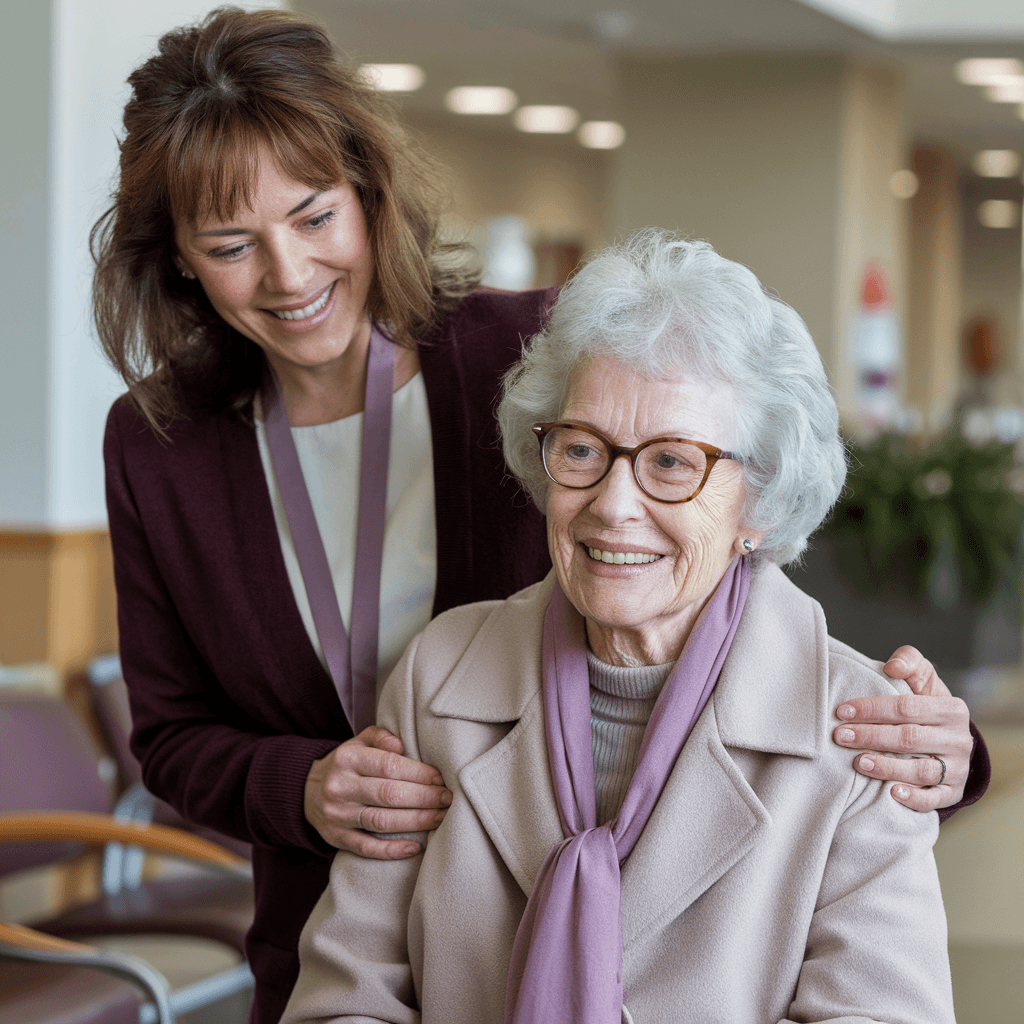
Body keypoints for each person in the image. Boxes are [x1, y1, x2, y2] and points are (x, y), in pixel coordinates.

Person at [95, 8, 984, 1022]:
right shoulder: (159, 441)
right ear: (176, 259)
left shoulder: (539, 354)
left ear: (367, 197)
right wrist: (300, 786)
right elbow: (167, 734)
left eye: (312, 217)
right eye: (229, 243)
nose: (289, 274)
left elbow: (724, 533)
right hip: (338, 926)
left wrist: (925, 743)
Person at [283, 233, 956, 1024]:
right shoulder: (437, 679)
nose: (612, 502)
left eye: (673, 461)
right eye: (583, 449)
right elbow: (346, 996)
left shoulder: (864, 731)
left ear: (758, 501)